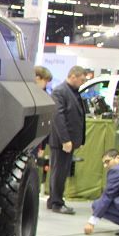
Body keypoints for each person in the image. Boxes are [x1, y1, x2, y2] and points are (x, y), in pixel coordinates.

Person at [47, 65, 87, 214]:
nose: (82, 82)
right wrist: (65, 140)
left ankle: (53, 200)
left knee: (59, 171)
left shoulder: (72, 92)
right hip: (62, 141)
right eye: (81, 80)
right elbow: (58, 116)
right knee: (59, 172)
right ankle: (57, 203)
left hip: (68, 140)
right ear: (73, 76)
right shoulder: (60, 91)